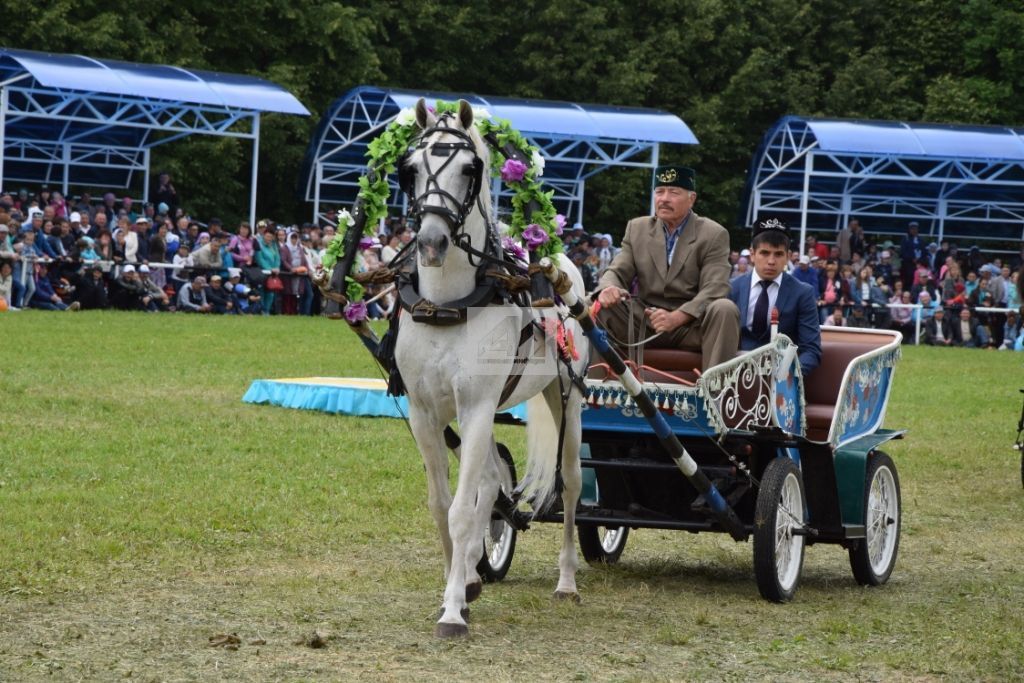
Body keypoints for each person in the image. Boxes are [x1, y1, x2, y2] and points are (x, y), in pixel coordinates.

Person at [595, 165, 739, 370]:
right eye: (659, 191)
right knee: (596, 304)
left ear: (692, 199)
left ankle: (715, 394)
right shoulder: (637, 228)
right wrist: (609, 288)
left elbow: (715, 288)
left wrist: (676, 317)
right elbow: (617, 271)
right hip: (645, 322)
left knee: (725, 309)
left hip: (690, 326)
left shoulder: (714, 234)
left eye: (673, 192)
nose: (664, 198)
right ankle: (592, 388)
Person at [729, 218, 821, 377]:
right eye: (764, 253)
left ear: (788, 256)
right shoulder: (731, 288)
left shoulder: (802, 293)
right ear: (752, 254)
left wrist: (788, 378)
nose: (771, 261)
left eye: (778, 254)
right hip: (733, 376)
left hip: (782, 382)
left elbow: (811, 350)